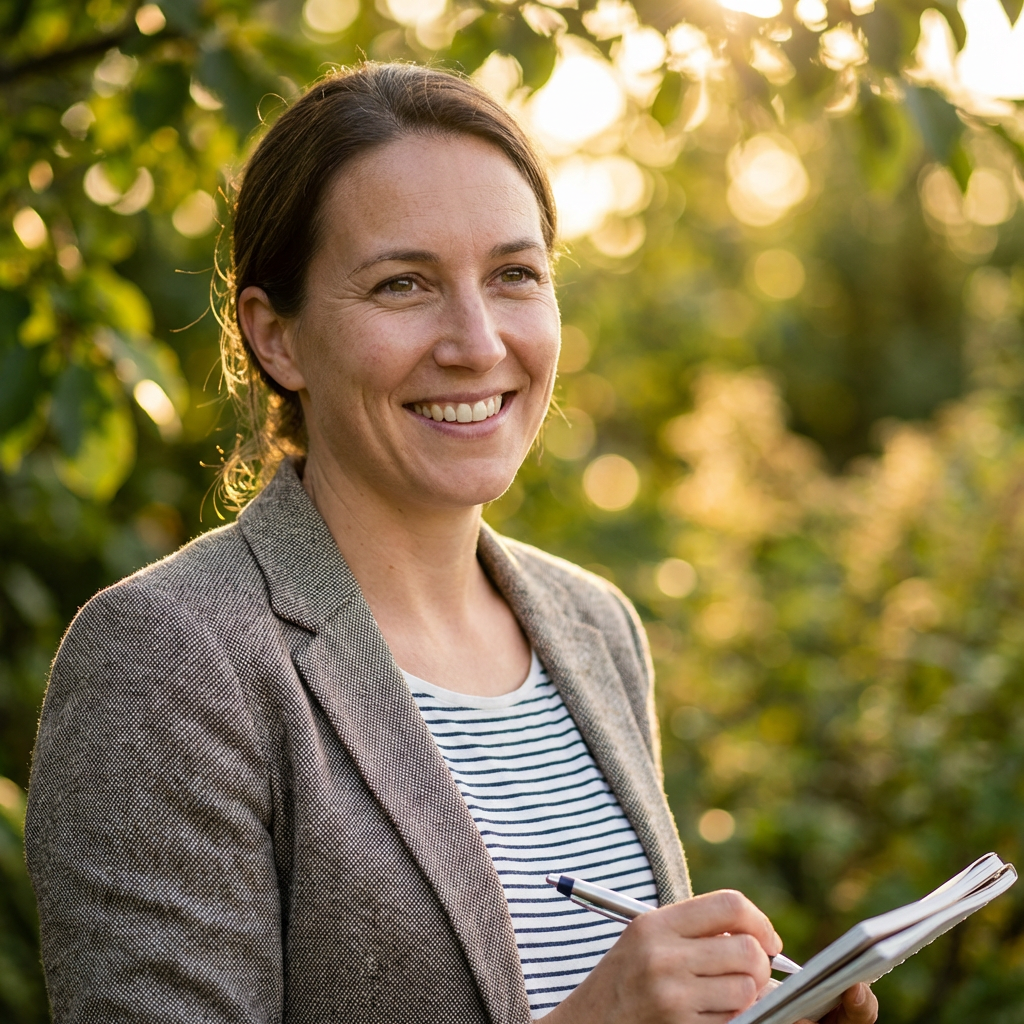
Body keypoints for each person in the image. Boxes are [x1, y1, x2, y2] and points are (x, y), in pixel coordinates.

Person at [24, 63, 877, 1024]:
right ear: (277, 339)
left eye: (515, 275)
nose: (476, 342)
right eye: (404, 285)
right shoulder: (167, 658)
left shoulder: (593, 625)